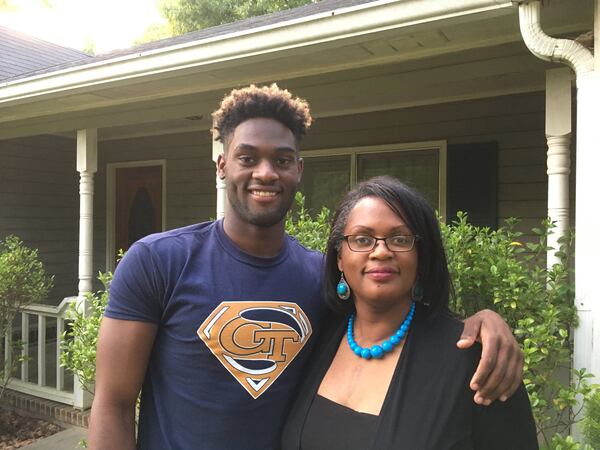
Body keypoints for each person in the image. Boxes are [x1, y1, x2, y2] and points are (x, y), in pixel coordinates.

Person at [89, 85, 525, 450]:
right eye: (247, 157)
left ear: (298, 169)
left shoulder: (318, 280)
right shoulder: (159, 261)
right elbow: (113, 404)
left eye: (281, 160)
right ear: (222, 165)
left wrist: (483, 322)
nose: (266, 172)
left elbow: (389, 322)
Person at [282, 176, 538, 450]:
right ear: (340, 259)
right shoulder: (314, 335)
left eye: (400, 239)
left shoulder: (473, 361)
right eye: (362, 239)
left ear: (421, 257)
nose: (381, 251)